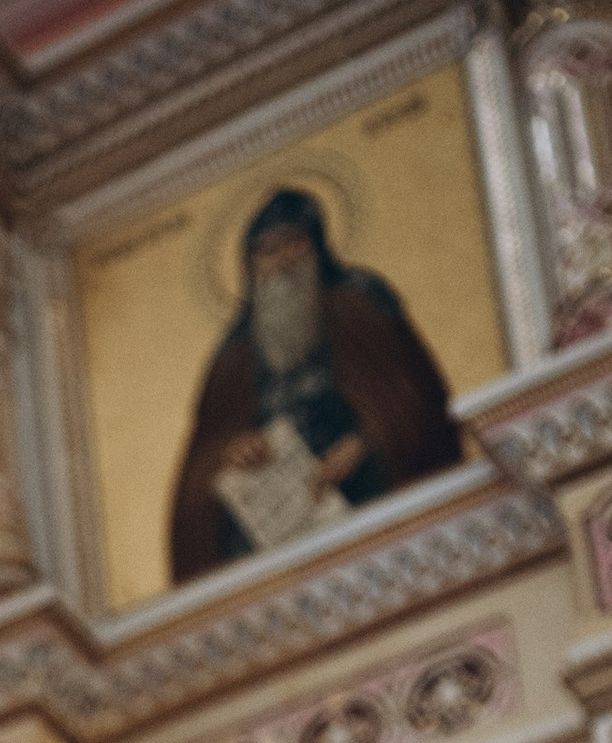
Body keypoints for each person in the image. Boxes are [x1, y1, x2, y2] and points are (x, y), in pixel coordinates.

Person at [169, 186, 460, 584]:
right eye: (267, 251)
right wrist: (231, 453)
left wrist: (364, 443)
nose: (281, 262)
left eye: (293, 244)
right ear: (251, 266)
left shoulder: (360, 305)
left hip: (372, 520)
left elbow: (421, 403)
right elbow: (199, 469)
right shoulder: (234, 356)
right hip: (276, 548)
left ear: (317, 247)